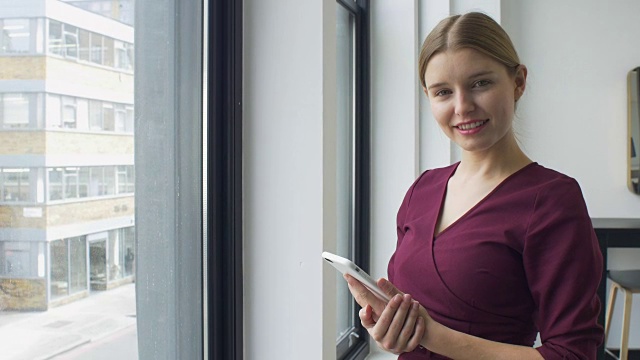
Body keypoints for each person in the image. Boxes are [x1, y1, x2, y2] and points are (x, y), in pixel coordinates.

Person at [344, 11, 604, 359]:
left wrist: (432, 335)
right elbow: (414, 320)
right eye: (443, 92)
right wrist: (390, 330)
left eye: (480, 83)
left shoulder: (553, 200)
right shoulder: (422, 189)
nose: (462, 107)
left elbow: (574, 353)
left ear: (518, 82)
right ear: (428, 96)